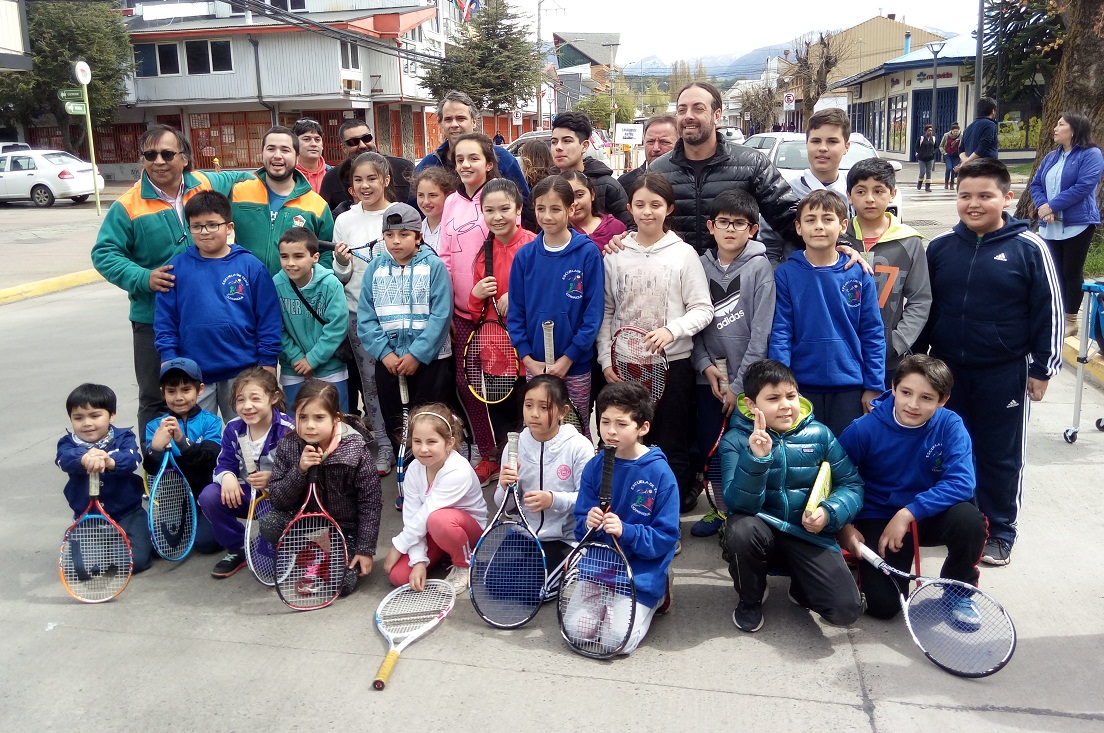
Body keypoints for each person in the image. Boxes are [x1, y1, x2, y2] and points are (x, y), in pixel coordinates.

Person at [918, 158, 1062, 566]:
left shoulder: (1029, 248)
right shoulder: (942, 247)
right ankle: (957, 522)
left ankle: (999, 531)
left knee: (999, 454)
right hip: (947, 372)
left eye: (985, 196)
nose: (974, 204)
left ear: (1007, 197)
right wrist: (917, 361)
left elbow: (1048, 310)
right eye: (965, 196)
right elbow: (929, 309)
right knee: (947, 450)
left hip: (1005, 371)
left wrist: (1041, 369)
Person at [91, 125, 254, 442]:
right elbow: (104, 253)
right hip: (153, 319)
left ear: (185, 158)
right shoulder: (128, 205)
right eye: (150, 155)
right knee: (156, 397)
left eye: (167, 153)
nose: (159, 161)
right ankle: (158, 477)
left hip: (203, 316)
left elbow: (242, 178)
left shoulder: (204, 183)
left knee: (206, 397)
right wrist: (143, 277)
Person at [837, 355, 987, 624]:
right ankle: (862, 571)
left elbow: (962, 482)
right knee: (883, 608)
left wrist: (908, 513)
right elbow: (833, 479)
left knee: (970, 520)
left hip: (927, 514)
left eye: (927, 398)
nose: (913, 404)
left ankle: (957, 588)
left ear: (943, 401)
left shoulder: (950, 425)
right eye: (906, 392)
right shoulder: (863, 430)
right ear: (893, 388)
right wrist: (844, 527)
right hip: (880, 517)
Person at [597, 173, 714, 512]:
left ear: (669, 209)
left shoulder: (684, 254)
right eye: (640, 205)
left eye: (656, 205)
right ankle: (627, 513)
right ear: (629, 208)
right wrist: (606, 359)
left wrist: (672, 331)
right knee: (627, 442)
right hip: (624, 368)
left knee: (670, 444)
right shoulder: (615, 254)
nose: (647, 212)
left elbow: (702, 309)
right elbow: (606, 312)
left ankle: (667, 519)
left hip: (672, 367)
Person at [721, 359, 864, 633]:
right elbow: (737, 504)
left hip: (807, 533)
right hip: (762, 530)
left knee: (845, 611)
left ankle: (802, 587)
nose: (785, 405)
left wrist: (830, 512)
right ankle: (750, 599)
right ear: (752, 405)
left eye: (791, 395)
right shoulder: (737, 440)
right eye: (773, 398)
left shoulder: (820, 434)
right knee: (740, 529)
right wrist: (756, 458)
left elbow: (852, 485)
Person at [563, 381, 679, 653]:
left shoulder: (660, 474)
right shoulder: (595, 466)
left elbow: (666, 538)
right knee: (576, 634)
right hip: (598, 570)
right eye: (604, 422)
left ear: (643, 428)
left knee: (615, 643)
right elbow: (581, 527)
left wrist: (626, 531)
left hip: (640, 573)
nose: (611, 431)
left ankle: (659, 593)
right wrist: (588, 522)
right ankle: (603, 605)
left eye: (622, 424)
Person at [689, 189, 776, 537]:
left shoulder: (760, 267)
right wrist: (705, 366)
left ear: (752, 230)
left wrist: (738, 387)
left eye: (738, 224)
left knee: (742, 448)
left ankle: (745, 514)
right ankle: (720, 510)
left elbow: (761, 333)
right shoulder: (698, 265)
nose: (730, 230)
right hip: (708, 379)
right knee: (713, 446)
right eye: (723, 222)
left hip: (746, 386)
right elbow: (693, 323)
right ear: (711, 226)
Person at [153, 191, 282, 421]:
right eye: (197, 226)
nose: (205, 232)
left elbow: (268, 319)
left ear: (229, 227)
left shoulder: (251, 266)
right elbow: (165, 320)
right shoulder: (176, 269)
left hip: (243, 372)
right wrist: (168, 358)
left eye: (213, 225)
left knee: (247, 437)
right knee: (198, 442)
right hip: (192, 374)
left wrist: (268, 361)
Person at [769, 190, 885, 438]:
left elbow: (872, 332)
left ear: (843, 226)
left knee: (846, 458)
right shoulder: (786, 274)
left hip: (849, 386)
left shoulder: (859, 273)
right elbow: (781, 331)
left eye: (827, 219)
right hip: (800, 386)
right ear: (798, 228)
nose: (819, 226)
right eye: (810, 220)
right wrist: (783, 385)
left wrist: (874, 385)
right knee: (805, 458)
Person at [649, 82, 802, 260]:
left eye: (698, 109)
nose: (688, 116)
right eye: (682, 110)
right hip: (677, 279)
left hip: (735, 281)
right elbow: (639, 223)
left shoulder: (753, 164)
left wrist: (837, 243)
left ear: (717, 115)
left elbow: (789, 215)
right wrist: (624, 238)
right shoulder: (657, 170)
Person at [261, 380, 382, 597]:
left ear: (336, 418)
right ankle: (313, 552)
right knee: (269, 524)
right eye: (302, 417)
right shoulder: (288, 446)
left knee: (343, 584)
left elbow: (371, 503)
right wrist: (300, 470)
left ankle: (325, 555)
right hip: (305, 518)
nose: (309, 425)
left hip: (345, 527)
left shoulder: (355, 450)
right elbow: (278, 500)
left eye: (319, 418)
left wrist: (365, 549)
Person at [357, 202, 454, 468]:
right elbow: (366, 318)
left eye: (404, 235)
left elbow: (441, 316)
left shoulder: (434, 267)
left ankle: (436, 476)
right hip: (389, 363)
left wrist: (417, 354)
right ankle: (409, 478)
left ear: (418, 236)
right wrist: (384, 353)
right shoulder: (375, 269)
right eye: (390, 235)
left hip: (431, 363)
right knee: (397, 424)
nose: (396, 241)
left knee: (431, 423)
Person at [507, 176, 605, 435]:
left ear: (571, 210)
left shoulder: (587, 253)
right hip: (536, 365)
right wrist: (528, 359)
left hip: (576, 366)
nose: (547, 216)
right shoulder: (525, 256)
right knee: (540, 428)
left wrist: (569, 358)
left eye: (555, 209)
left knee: (574, 429)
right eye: (541, 209)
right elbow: (516, 313)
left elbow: (592, 314)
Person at [439, 132, 505, 483]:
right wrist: (450, 306)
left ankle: (510, 451)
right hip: (463, 314)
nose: (465, 164)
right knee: (469, 385)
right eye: (460, 158)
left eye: (474, 158)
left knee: (501, 383)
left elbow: (511, 247)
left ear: (489, 163)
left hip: (495, 315)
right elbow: (447, 256)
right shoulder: (451, 202)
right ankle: (487, 451)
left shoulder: (499, 197)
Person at [493, 375, 595, 587]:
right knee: (495, 584)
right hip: (524, 533)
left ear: (563, 411)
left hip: (564, 537)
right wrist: (504, 488)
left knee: (530, 589)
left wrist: (552, 499)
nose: (534, 414)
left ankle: (578, 562)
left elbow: (588, 501)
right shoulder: (515, 445)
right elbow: (504, 506)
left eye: (544, 407)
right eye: (528, 405)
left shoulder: (579, 446)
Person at [196, 368, 295, 578]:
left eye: (255, 398)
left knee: (265, 569)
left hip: (279, 501)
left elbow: (300, 472)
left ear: (274, 397)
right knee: (210, 495)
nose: (247, 406)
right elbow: (224, 463)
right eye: (240, 400)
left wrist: (274, 478)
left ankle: (292, 541)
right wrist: (228, 477)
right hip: (248, 496)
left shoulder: (288, 430)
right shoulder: (233, 428)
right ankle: (237, 546)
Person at [332, 152, 396, 475]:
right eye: (359, 180)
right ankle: (384, 444)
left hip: (399, 315)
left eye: (372, 178)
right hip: (359, 314)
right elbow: (340, 275)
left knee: (401, 381)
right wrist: (342, 261)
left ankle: (409, 443)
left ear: (385, 180)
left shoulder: (401, 214)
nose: (365, 185)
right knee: (371, 383)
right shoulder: (343, 220)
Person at [843, 159, 931, 387]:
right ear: (849, 196)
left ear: (892, 194)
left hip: (887, 357)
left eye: (878, 190)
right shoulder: (839, 238)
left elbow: (920, 299)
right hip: (840, 353)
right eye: (861, 191)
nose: (870, 198)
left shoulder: (909, 242)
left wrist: (897, 342)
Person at [383, 404, 488, 595]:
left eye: (432, 442)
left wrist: (399, 545)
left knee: (439, 519)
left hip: (467, 531)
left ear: (449, 443)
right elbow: (413, 516)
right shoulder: (414, 469)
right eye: (417, 441)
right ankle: (446, 553)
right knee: (399, 577)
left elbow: (427, 512)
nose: (423, 449)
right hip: (433, 528)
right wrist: (418, 561)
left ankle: (465, 564)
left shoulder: (457, 470)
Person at [57, 383, 152, 573]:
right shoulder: (68, 444)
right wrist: (82, 458)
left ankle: (132, 541)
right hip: (89, 517)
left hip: (127, 514)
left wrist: (110, 461)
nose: (87, 423)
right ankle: (88, 541)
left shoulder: (124, 437)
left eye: (95, 416)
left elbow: (133, 459)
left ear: (111, 415)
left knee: (137, 562)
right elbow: (63, 460)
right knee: (80, 571)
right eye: (78, 418)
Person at [1029, 112, 1103, 338]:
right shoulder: (1052, 156)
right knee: (1053, 272)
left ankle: (1070, 319)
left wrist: (1052, 206)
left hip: (1077, 223)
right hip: (1049, 223)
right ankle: (1055, 314)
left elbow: (1083, 187)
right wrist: (1044, 207)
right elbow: (1036, 185)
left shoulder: (1091, 154)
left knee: (1071, 271)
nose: (1055, 128)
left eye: (1060, 124)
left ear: (1073, 129)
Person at [143, 358, 225, 554]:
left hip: (205, 491)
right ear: (162, 392)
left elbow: (209, 461)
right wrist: (155, 447)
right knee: (163, 545)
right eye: (171, 391)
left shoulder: (211, 422)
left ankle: (210, 519)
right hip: (173, 494)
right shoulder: (155, 426)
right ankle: (181, 522)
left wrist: (181, 440)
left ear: (200, 389)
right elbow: (151, 469)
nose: (179, 397)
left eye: (186, 390)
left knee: (207, 544)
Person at [229, 126, 335, 273]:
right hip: (246, 288)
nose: (277, 155)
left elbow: (326, 254)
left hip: (294, 293)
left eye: (285, 150)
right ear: (262, 153)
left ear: (297, 157)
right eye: (271, 149)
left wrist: (311, 286)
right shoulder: (237, 193)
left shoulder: (317, 205)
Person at [273, 227, 350, 411]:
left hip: (330, 369)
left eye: (298, 256)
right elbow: (276, 327)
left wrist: (313, 359)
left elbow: (337, 326)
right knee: (297, 420)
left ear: (315, 257)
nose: (290, 263)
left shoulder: (331, 285)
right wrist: (297, 358)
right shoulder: (277, 284)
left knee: (336, 419)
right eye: (284, 256)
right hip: (294, 368)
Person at [414, 90, 530, 204]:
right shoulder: (428, 164)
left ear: (474, 122)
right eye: (448, 119)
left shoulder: (501, 158)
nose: (454, 124)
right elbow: (415, 208)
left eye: (461, 118)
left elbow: (525, 204)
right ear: (441, 124)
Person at [550, 111, 632, 229]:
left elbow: (630, 228)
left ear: (584, 146)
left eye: (567, 141)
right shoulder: (547, 185)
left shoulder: (607, 186)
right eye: (554, 142)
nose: (558, 147)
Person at [321, 118, 414, 211]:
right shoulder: (332, 178)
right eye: (354, 142)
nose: (362, 145)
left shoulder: (403, 168)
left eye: (366, 138)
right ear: (344, 148)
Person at [787, 108, 851, 204]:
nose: (822, 148)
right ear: (807, 144)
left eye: (832, 141)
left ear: (846, 147)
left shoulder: (854, 191)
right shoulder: (787, 194)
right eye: (816, 141)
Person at [562, 169, 627, 249]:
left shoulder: (615, 227)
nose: (574, 203)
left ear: (592, 194)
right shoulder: (558, 232)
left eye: (579, 195)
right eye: (568, 198)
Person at [618, 115, 678, 193]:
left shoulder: (690, 183)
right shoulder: (624, 184)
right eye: (650, 142)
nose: (656, 148)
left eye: (664, 142)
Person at [413, 166, 458, 253]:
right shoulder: (416, 230)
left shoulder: (454, 229)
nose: (426, 201)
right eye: (421, 195)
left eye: (433, 195)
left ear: (448, 196)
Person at [958, 97, 1000, 169]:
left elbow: (961, 149)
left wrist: (966, 161)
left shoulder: (968, 128)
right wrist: (967, 161)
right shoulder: (990, 124)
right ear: (993, 111)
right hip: (987, 166)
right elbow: (983, 146)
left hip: (971, 168)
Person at [292, 118, 331, 194]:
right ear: (295, 143)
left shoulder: (333, 174)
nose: (313, 144)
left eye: (317, 140)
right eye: (307, 139)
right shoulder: (288, 175)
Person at [939, 121, 962, 189]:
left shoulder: (960, 137)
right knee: (949, 168)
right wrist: (944, 152)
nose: (955, 133)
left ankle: (952, 183)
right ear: (951, 130)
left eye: (957, 131)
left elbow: (962, 146)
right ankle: (946, 182)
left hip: (956, 156)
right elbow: (941, 146)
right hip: (948, 155)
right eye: (954, 131)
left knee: (954, 169)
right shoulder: (946, 136)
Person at [916, 124, 938, 192]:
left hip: (930, 158)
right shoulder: (921, 138)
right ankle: (919, 183)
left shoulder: (933, 139)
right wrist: (921, 153)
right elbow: (916, 147)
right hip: (922, 158)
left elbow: (936, 147)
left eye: (931, 131)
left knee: (929, 172)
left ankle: (927, 187)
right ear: (926, 131)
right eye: (929, 130)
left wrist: (933, 153)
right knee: (922, 172)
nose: (930, 132)